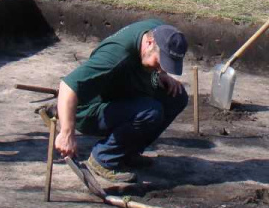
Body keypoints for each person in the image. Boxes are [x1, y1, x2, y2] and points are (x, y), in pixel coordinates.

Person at [54, 19, 189, 185]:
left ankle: (127, 152)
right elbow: (67, 86)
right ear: (148, 43)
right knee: (150, 112)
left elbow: (156, 59)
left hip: (120, 95)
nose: (162, 68)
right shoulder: (114, 55)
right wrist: (66, 133)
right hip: (91, 110)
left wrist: (161, 74)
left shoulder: (160, 32)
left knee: (177, 97)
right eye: (160, 63)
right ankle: (103, 158)